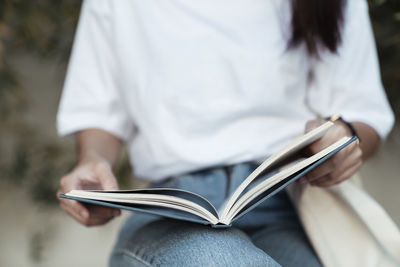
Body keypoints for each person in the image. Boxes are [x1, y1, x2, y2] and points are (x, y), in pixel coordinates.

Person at [56, 0, 394, 266]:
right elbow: (99, 115)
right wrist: (92, 162)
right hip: (174, 208)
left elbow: (363, 112)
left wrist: (342, 137)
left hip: (290, 205)